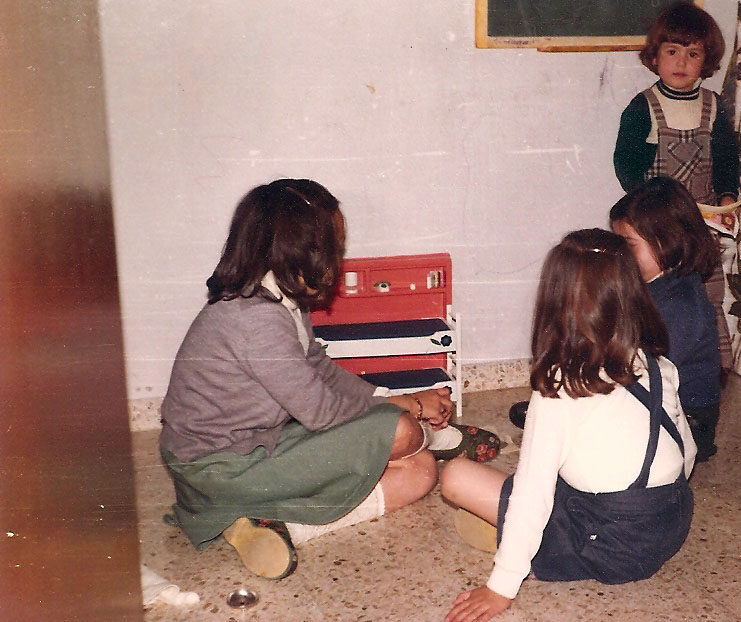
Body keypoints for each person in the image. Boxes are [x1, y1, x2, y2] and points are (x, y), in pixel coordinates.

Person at [159, 178, 499, 580]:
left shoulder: (276, 297)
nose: (335, 262)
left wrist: (393, 395)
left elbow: (319, 370)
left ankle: (276, 523)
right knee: (400, 431)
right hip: (218, 468)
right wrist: (408, 406)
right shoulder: (255, 319)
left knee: (421, 473)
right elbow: (321, 412)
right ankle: (438, 438)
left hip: (253, 446)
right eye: (331, 250)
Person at [440, 229, 696, 622]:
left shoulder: (562, 385)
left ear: (554, 300)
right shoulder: (658, 364)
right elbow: (687, 452)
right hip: (669, 524)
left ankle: (525, 549)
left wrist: (500, 587)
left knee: (456, 476)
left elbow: (532, 493)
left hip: (611, 547)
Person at [612, 1, 740, 376]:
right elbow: (626, 166)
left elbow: (727, 159)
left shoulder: (714, 106)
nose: (682, 63)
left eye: (693, 53)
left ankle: (710, 371)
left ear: (707, 60)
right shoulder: (643, 107)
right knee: (655, 295)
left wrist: (727, 199)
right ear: (655, 57)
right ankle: (647, 370)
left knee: (707, 294)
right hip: (656, 225)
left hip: (701, 223)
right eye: (672, 52)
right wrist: (648, 206)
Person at [610, 176, 721, 463]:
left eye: (629, 244)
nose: (621, 254)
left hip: (687, 419)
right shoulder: (654, 284)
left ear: (667, 241)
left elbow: (644, 374)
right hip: (656, 399)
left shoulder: (682, 305)